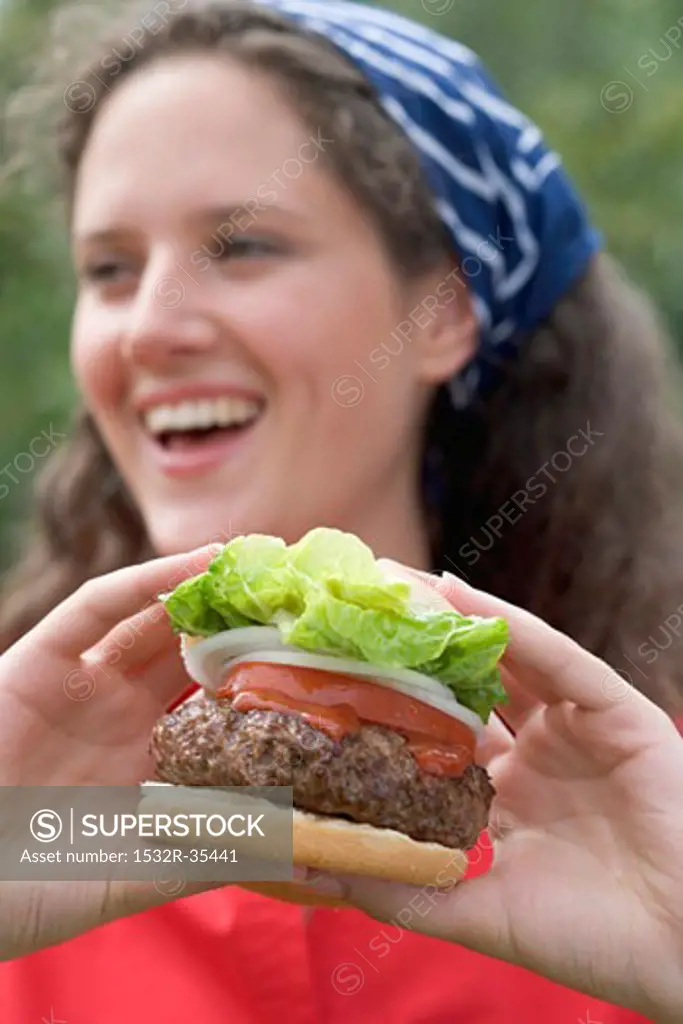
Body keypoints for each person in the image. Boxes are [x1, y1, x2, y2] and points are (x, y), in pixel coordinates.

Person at [1, 0, 682, 1019]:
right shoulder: (34, 815)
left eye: (241, 247)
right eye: (109, 269)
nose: (144, 330)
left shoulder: (647, 819)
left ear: (441, 311)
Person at [0, 550, 681, 1024]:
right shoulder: (47, 823)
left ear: (440, 335)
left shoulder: (641, 797)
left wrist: (670, 942)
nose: (147, 335)